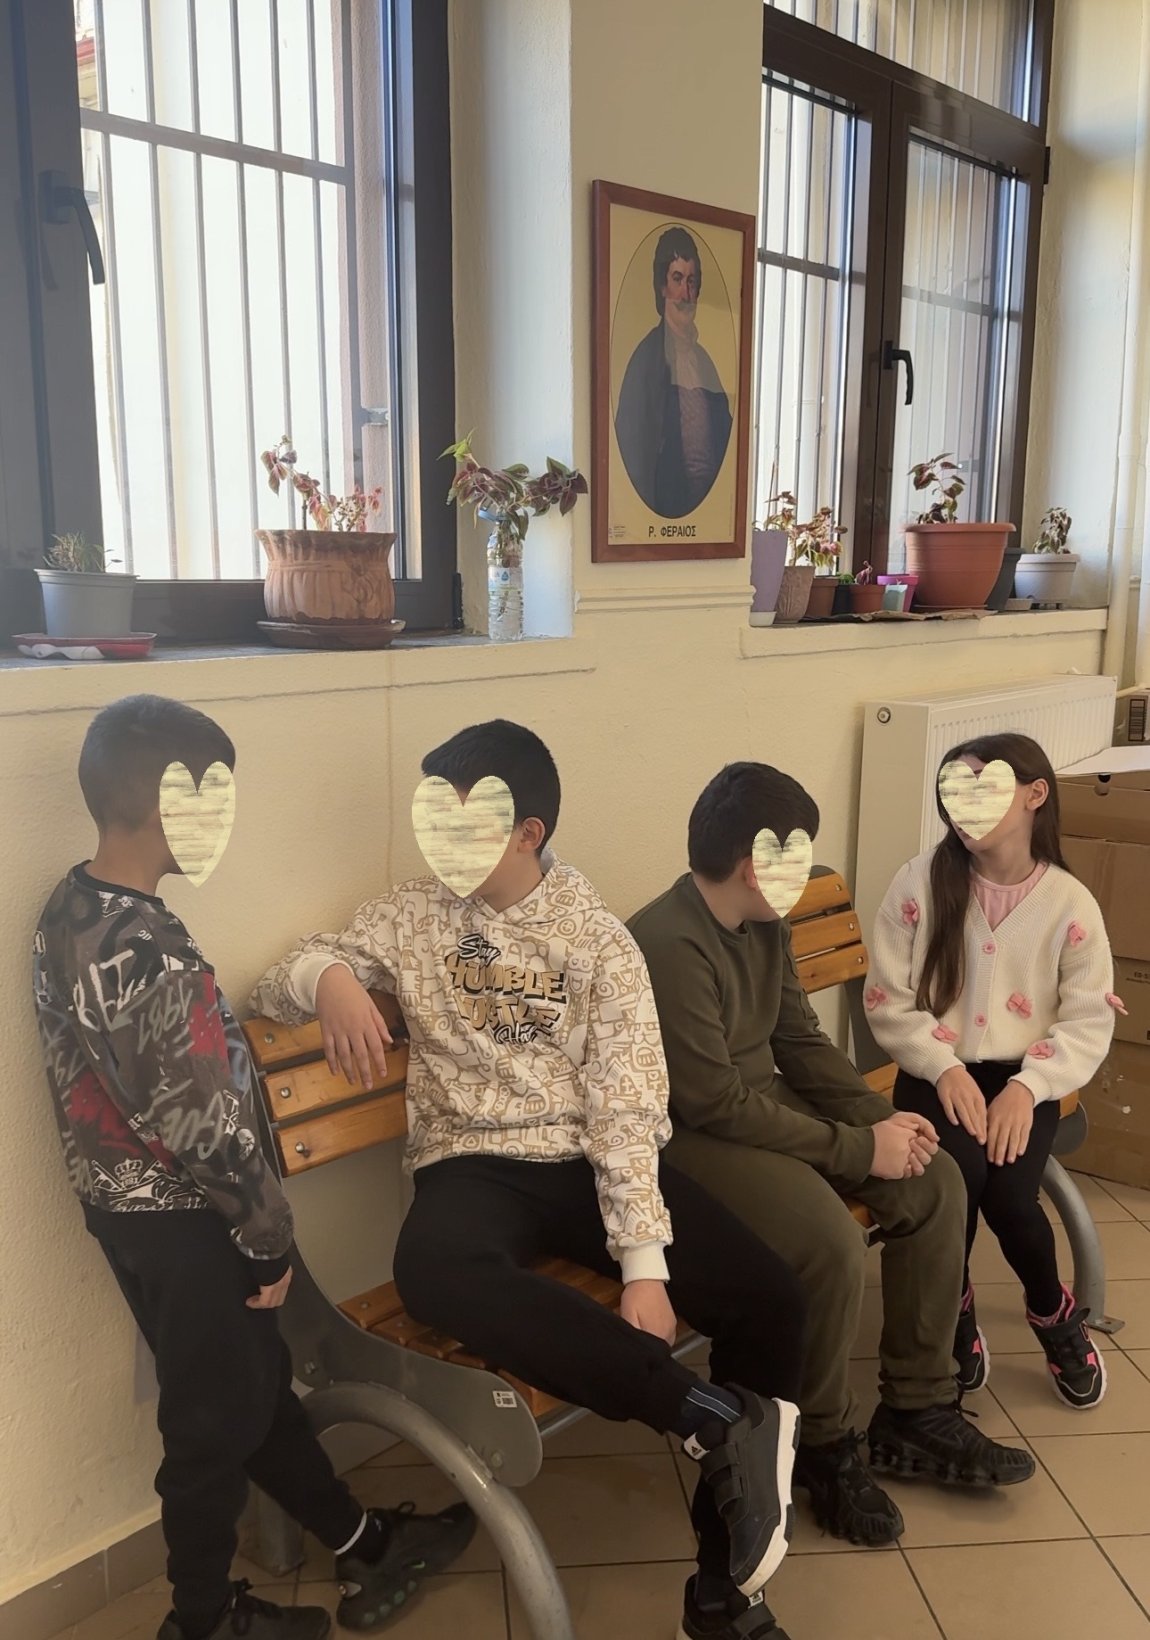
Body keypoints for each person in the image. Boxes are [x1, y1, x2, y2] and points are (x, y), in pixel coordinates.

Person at [251, 720, 809, 1640]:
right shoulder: (413, 915)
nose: (440, 844)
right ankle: (706, 1415)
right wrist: (330, 979)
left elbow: (626, 1109)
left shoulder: (597, 942)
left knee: (772, 1298)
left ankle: (725, 1588)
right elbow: (276, 980)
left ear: (527, 832)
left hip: (587, 1163)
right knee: (435, 1269)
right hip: (470, 1167)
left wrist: (643, 1266)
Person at [33, 695, 475, 1640]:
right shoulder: (149, 950)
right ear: (166, 802)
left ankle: (359, 1541)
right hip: (196, 1221)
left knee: (251, 1388)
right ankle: (200, 1621)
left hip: (125, 1211)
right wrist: (265, 1239)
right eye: (212, 798)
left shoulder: (71, 910)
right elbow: (201, 1122)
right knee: (209, 1427)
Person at [628, 762, 1037, 1553]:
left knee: (936, 1180)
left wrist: (885, 1123)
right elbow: (712, 1103)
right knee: (828, 1242)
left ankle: (917, 1408)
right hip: (690, 1140)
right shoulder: (668, 945)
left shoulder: (764, 921)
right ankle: (823, 1443)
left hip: (761, 1108)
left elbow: (799, 1041)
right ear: (755, 865)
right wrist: (857, 1147)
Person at [868, 733, 1115, 1410]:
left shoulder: (1069, 904)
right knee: (957, 1181)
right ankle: (957, 1307)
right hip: (933, 1071)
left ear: (1035, 795)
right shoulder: (919, 882)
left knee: (1010, 1198)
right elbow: (887, 1000)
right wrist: (942, 1068)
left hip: (1025, 1080)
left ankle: (1054, 1314)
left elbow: (1087, 1020)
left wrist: (1028, 1088)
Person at [614, 225, 733, 518]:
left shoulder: (704, 362)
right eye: (677, 279)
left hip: (707, 514)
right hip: (663, 508)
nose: (686, 293)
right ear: (662, 287)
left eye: (692, 281)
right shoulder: (645, 360)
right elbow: (633, 453)